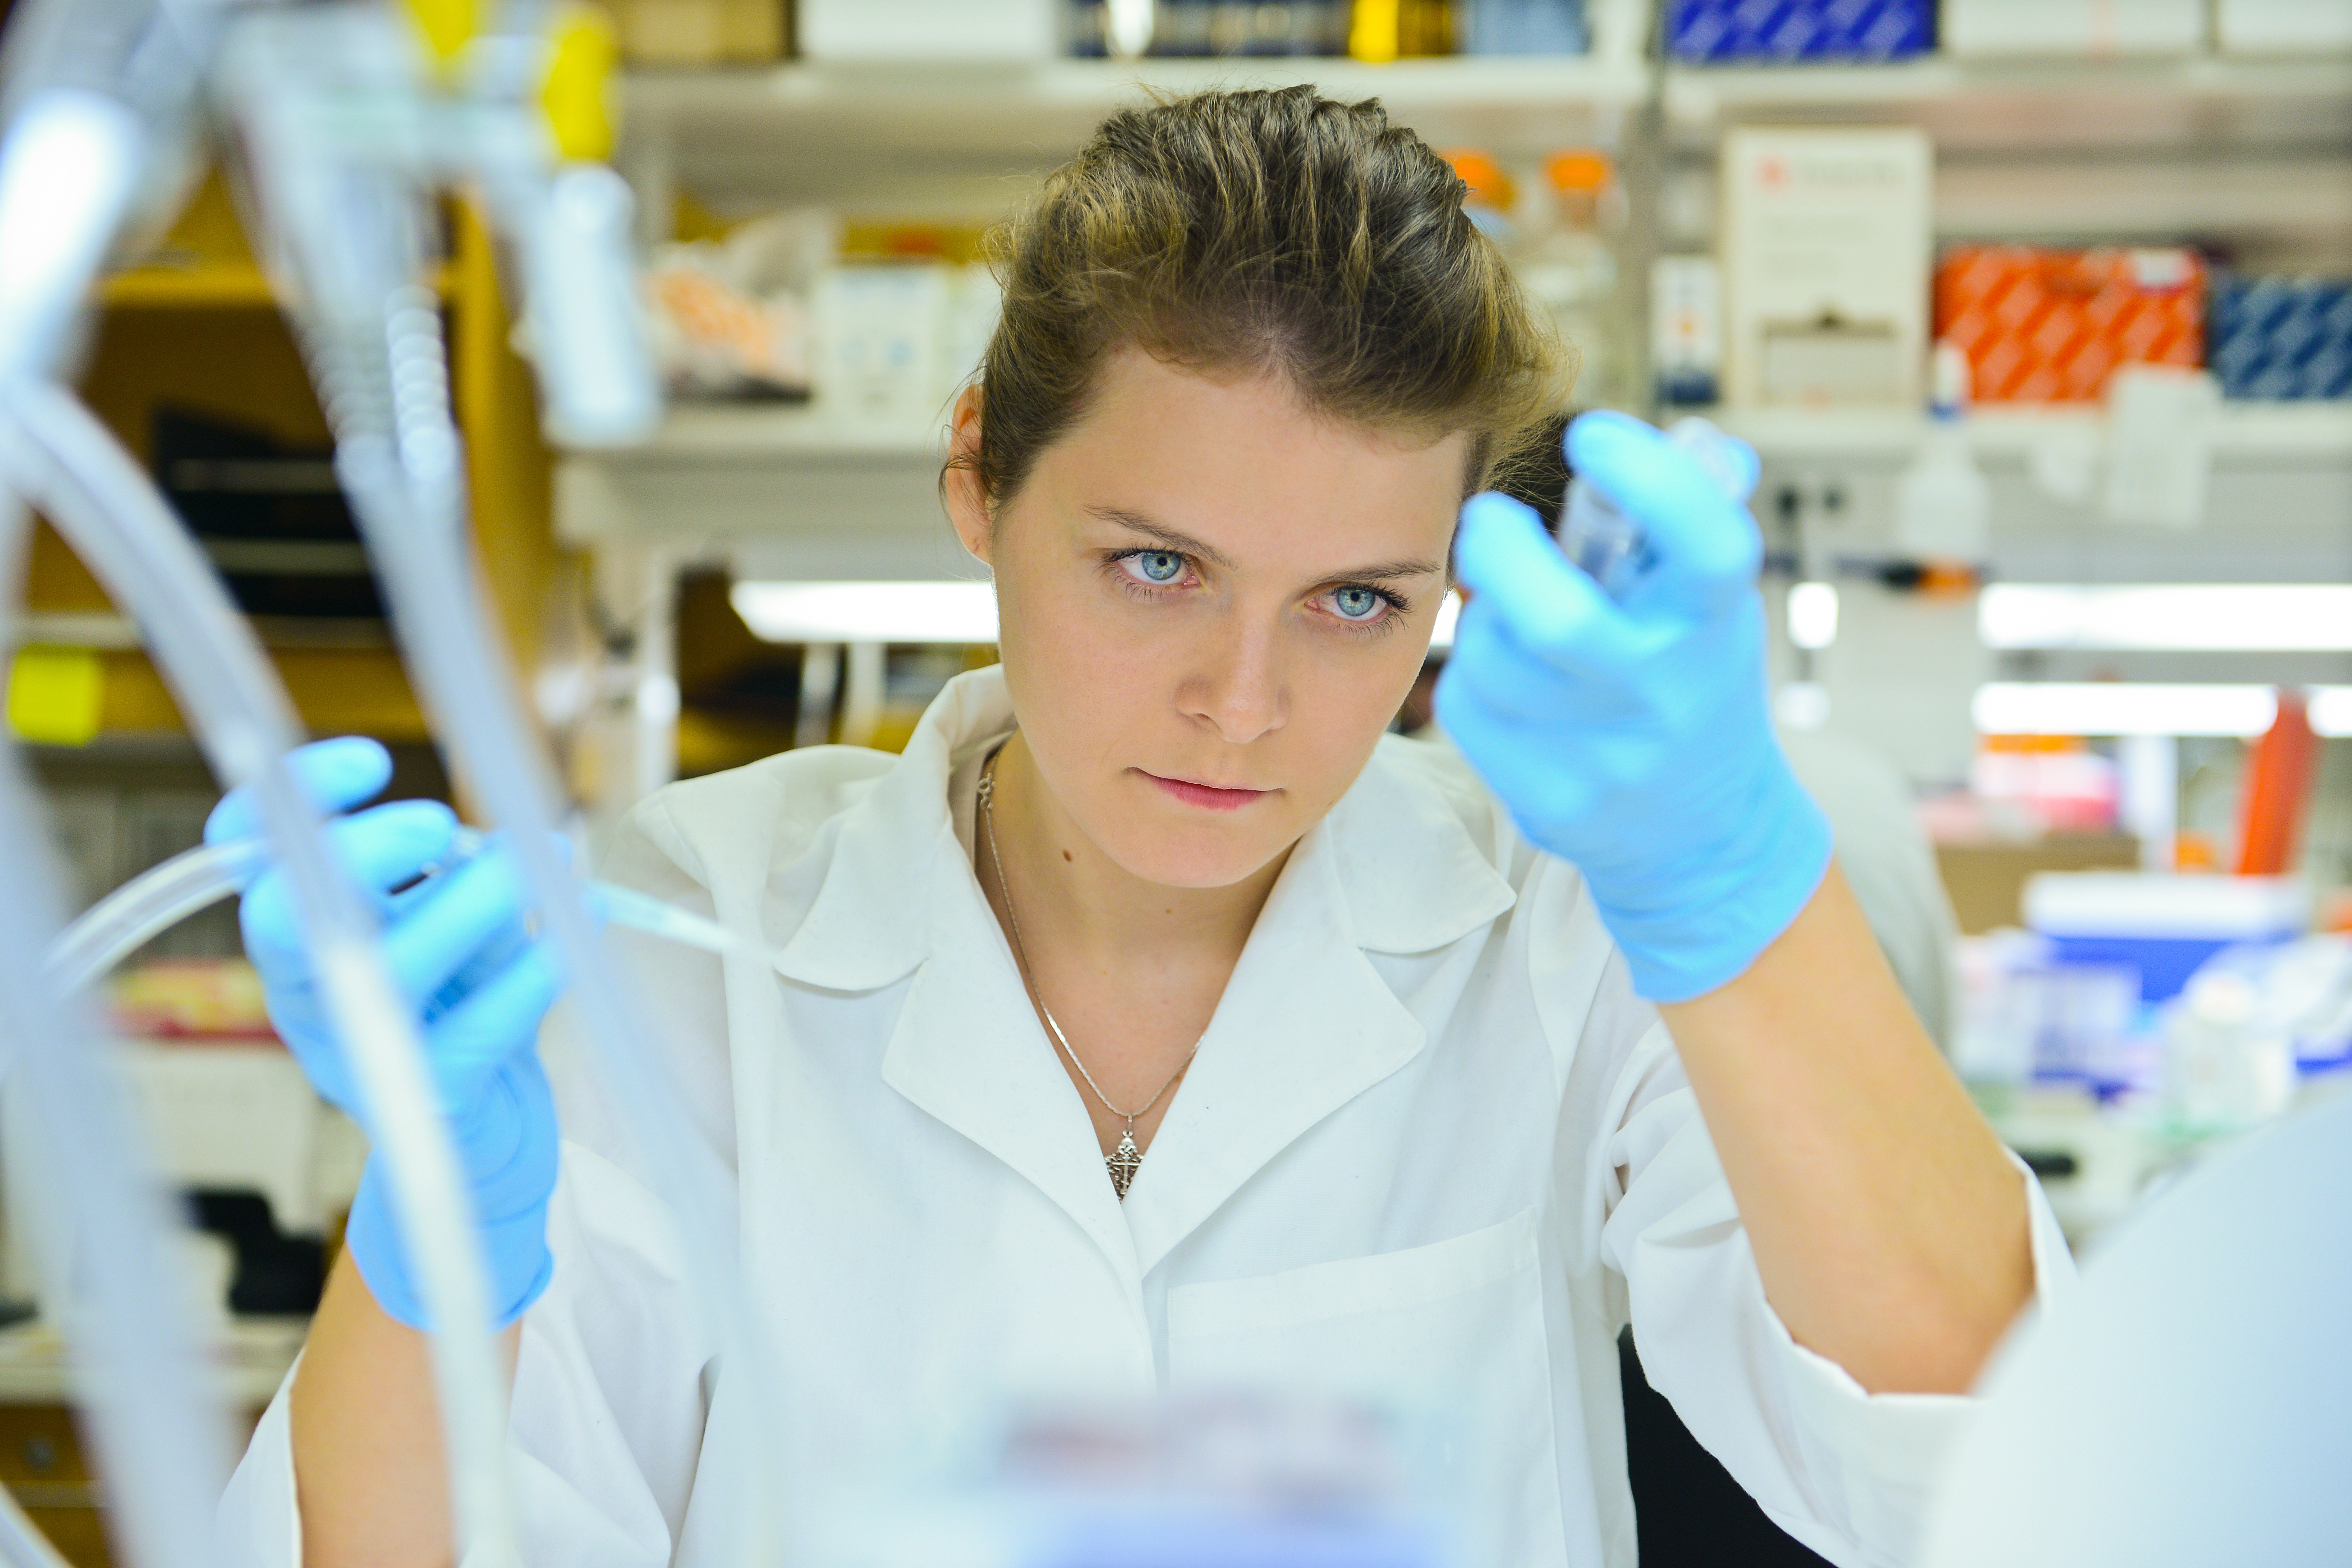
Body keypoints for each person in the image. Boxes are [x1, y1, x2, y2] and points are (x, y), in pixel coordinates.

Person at [216, 88, 2069, 1568]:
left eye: (1356, 599)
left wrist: (1733, 881)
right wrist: (430, 1237)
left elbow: (1976, 1475)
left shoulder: (1553, 932)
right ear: (977, 478)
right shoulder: (669, 939)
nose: (1243, 700)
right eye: (1158, 564)